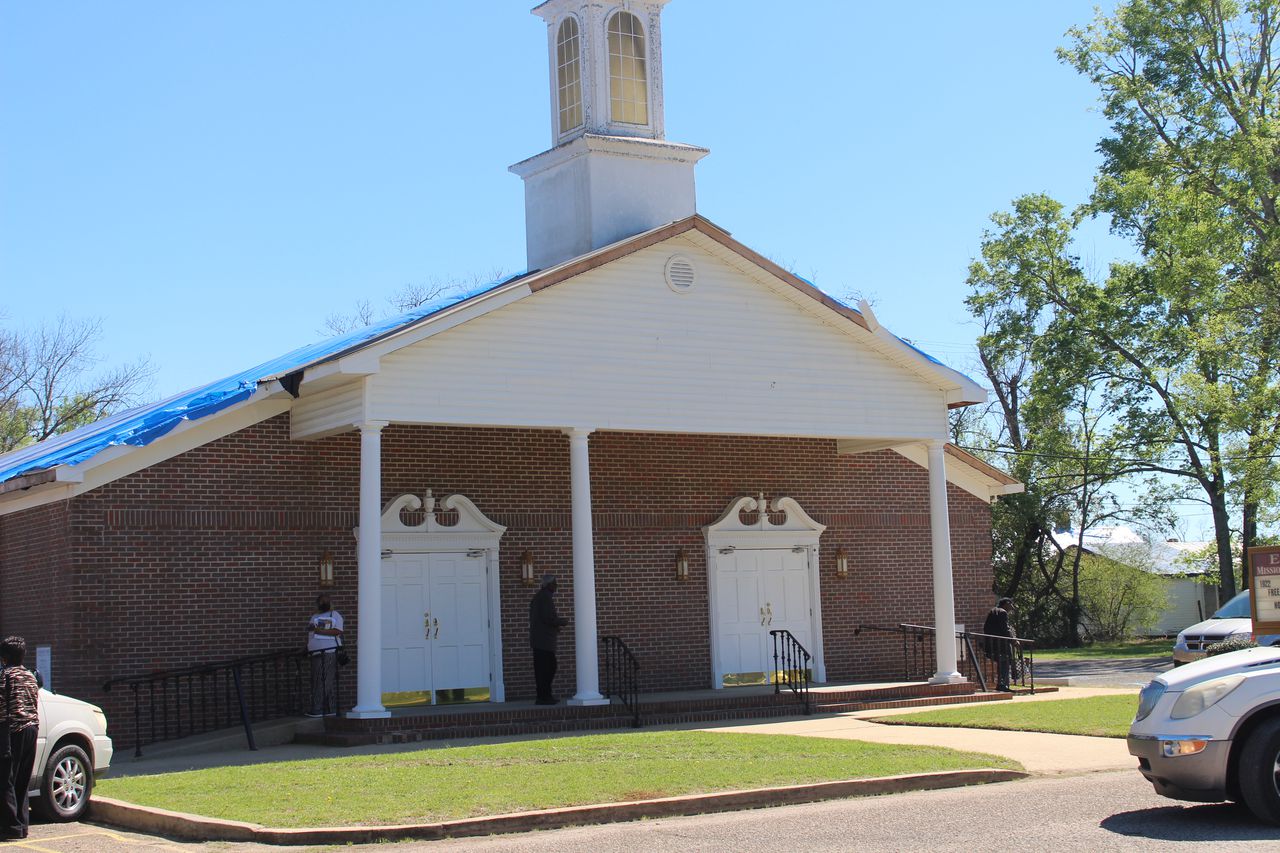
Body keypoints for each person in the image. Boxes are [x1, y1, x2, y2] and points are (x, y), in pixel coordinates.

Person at [0, 636, 40, 840]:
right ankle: (22, 825)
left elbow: (2, 708)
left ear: (4, 657)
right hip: (32, 729)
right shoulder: (30, 675)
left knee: (6, 780)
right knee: (23, 779)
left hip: (12, 731)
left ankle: (10, 827)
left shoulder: (5, 675)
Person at [529, 574, 569, 705]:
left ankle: (544, 696)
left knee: (544, 668)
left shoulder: (539, 597)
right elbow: (548, 618)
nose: (556, 586)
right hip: (544, 641)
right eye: (555, 583)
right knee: (548, 668)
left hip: (540, 640)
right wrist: (562, 622)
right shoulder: (545, 597)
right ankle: (544, 697)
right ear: (549, 585)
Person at [306, 594, 344, 717]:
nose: (323, 603)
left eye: (325, 601)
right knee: (319, 680)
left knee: (324, 681)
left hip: (329, 653)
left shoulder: (335, 615)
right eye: (320, 601)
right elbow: (311, 634)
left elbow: (338, 631)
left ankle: (317, 708)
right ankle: (329, 708)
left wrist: (319, 630)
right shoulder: (314, 616)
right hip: (315, 653)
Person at [982, 597, 1018, 692]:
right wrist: (1013, 641)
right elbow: (1005, 629)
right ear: (1006, 603)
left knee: (1002, 664)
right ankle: (1003, 685)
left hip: (991, 644)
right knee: (1004, 664)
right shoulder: (1002, 612)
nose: (1012, 607)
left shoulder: (993, 611)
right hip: (1000, 645)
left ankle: (1001, 684)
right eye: (1011, 605)